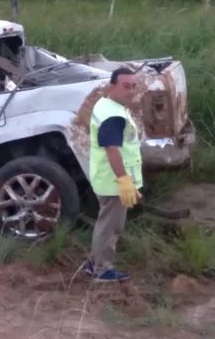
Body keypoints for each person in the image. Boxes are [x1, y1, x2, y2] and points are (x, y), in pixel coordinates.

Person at [84, 67, 143, 283]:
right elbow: (112, 149)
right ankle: (102, 270)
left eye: (133, 86)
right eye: (125, 86)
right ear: (112, 86)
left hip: (107, 178)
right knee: (110, 227)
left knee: (106, 223)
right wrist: (125, 181)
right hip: (113, 182)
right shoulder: (113, 115)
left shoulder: (107, 104)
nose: (131, 91)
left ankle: (94, 263)